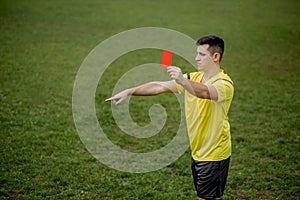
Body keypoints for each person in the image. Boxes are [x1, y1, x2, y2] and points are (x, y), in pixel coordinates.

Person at [105, 35, 234, 200]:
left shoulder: (224, 84)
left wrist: (181, 80)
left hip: (214, 153)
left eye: (202, 54)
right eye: (196, 53)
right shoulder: (193, 78)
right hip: (199, 151)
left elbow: (204, 92)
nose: (196, 58)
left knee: (206, 198)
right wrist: (129, 91)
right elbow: (159, 86)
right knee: (211, 197)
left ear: (216, 56)